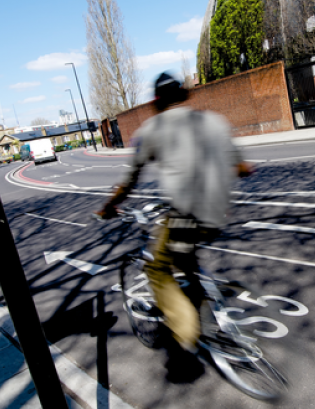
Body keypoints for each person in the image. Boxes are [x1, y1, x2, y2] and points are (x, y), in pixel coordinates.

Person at [97, 72, 252, 381]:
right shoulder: (214, 121)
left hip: (185, 216)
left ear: (156, 102)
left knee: (156, 268)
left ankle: (186, 334)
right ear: (183, 95)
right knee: (184, 258)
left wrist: (109, 205)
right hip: (218, 213)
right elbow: (242, 167)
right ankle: (201, 300)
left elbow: (130, 181)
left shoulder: (152, 129)